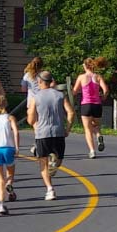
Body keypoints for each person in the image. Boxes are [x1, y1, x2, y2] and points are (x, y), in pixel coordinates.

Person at [29, 71, 75, 200]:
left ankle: (50, 189)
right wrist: (68, 128)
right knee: (59, 159)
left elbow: (30, 119)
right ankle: (55, 164)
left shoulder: (35, 97)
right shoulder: (60, 95)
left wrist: (34, 124)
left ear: (39, 82)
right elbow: (71, 112)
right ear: (51, 81)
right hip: (58, 131)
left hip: (42, 133)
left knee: (43, 163)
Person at [72, 57, 109, 159]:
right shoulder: (98, 76)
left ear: (85, 66)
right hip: (97, 104)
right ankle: (98, 136)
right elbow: (105, 89)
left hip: (86, 104)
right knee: (96, 125)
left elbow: (74, 91)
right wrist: (103, 97)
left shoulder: (81, 77)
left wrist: (73, 92)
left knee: (87, 129)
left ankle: (92, 151)